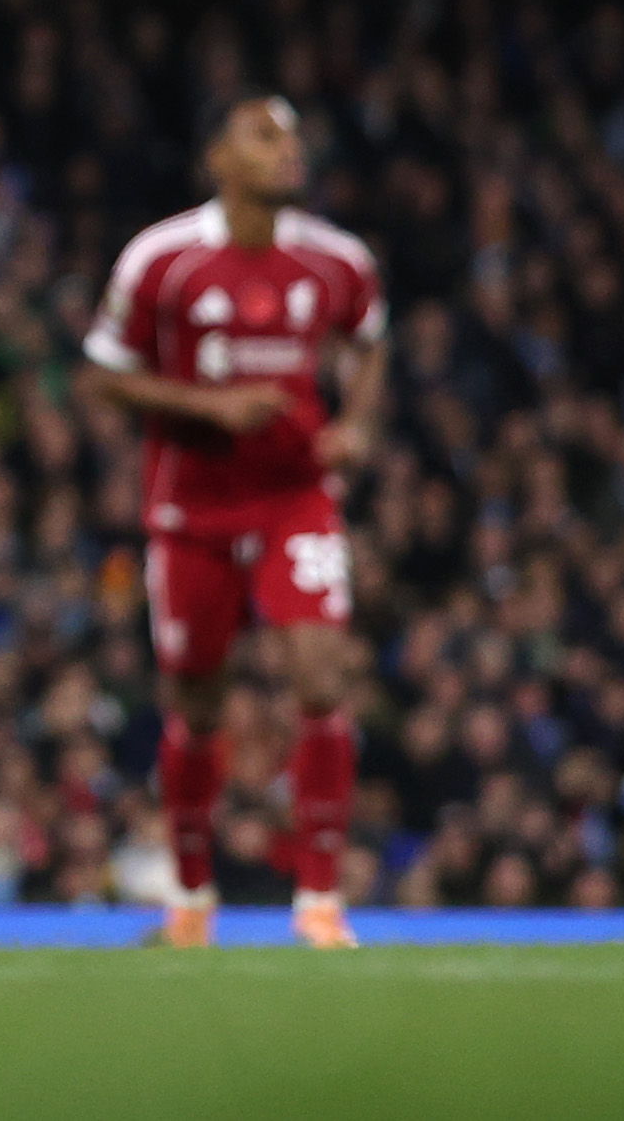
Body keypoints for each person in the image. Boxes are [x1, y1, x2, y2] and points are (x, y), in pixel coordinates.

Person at [82, 94, 386, 951]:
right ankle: (190, 900)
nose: (287, 153)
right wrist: (207, 409)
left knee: (322, 675)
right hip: (193, 507)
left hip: (297, 496)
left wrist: (355, 422)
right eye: (263, 137)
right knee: (198, 702)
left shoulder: (338, 260)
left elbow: (371, 339)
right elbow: (102, 376)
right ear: (219, 158)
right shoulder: (163, 259)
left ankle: (320, 903)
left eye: (292, 137)